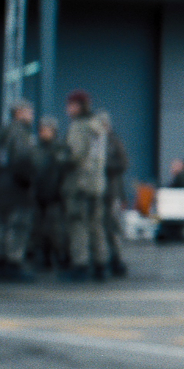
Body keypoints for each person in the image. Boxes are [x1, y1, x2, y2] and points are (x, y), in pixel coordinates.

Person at [62, 90, 110, 282]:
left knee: (78, 225)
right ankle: (100, 265)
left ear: (78, 106)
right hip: (96, 183)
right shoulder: (97, 125)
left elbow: (75, 155)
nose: (67, 109)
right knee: (96, 225)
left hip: (79, 183)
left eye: (70, 105)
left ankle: (80, 265)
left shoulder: (79, 126)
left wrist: (60, 157)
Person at [0, 102, 39, 282]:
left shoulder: (3, 131)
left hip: (2, 185)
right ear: (19, 113)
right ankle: (13, 263)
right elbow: (23, 159)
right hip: (17, 187)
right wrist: (29, 180)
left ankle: (0, 262)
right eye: (29, 111)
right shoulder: (20, 132)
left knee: (2, 226)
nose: (32, 115)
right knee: (18, 227)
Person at [31, 117, 72, 270]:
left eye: (47, 129)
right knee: (40, 230)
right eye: (42, 130)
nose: (44, 133)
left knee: (57, 230)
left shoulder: (60, 149)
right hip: (39, 196)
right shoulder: (36, 149)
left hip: (56, 196)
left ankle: (63, 256)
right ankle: (43, 256)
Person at [100, 111, 130, 277]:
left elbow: (123, 164)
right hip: (98, 191)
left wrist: (104, 165)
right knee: (99, 226)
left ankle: (117, 258)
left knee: (113, 227)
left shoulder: (114, 142)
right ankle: (102, 258)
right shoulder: (94, 141)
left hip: (112, 191)